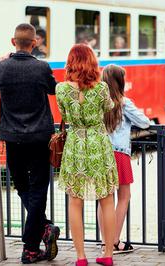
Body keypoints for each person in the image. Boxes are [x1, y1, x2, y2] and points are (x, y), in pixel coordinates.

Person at [0, 23, 60, 264]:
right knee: (38, 188)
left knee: (23, 187)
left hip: (13, 138)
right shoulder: (42, 68)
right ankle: (39, 235)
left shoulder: (1, 68)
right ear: (34, 43)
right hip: (40, 138)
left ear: (12, 41)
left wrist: (2, 62)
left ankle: (35, 243)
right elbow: (53, 89)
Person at [55, 44, 118, 266]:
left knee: (75, 201)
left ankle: (81, 257)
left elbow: (64, 114)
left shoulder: (61, 89)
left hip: (75, 145)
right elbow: (108, 107)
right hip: (98, 144)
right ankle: (108, 254)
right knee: (107, 200)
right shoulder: (101, 88)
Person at [98, 64, 150, 254]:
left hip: (101, 154)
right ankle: (114, 241)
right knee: (124, 197)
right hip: (119, 154)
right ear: (120, 82)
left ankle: (105, 242)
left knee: (103, 199)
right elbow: (145, 122)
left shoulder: (99, 102)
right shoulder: (124, 103)